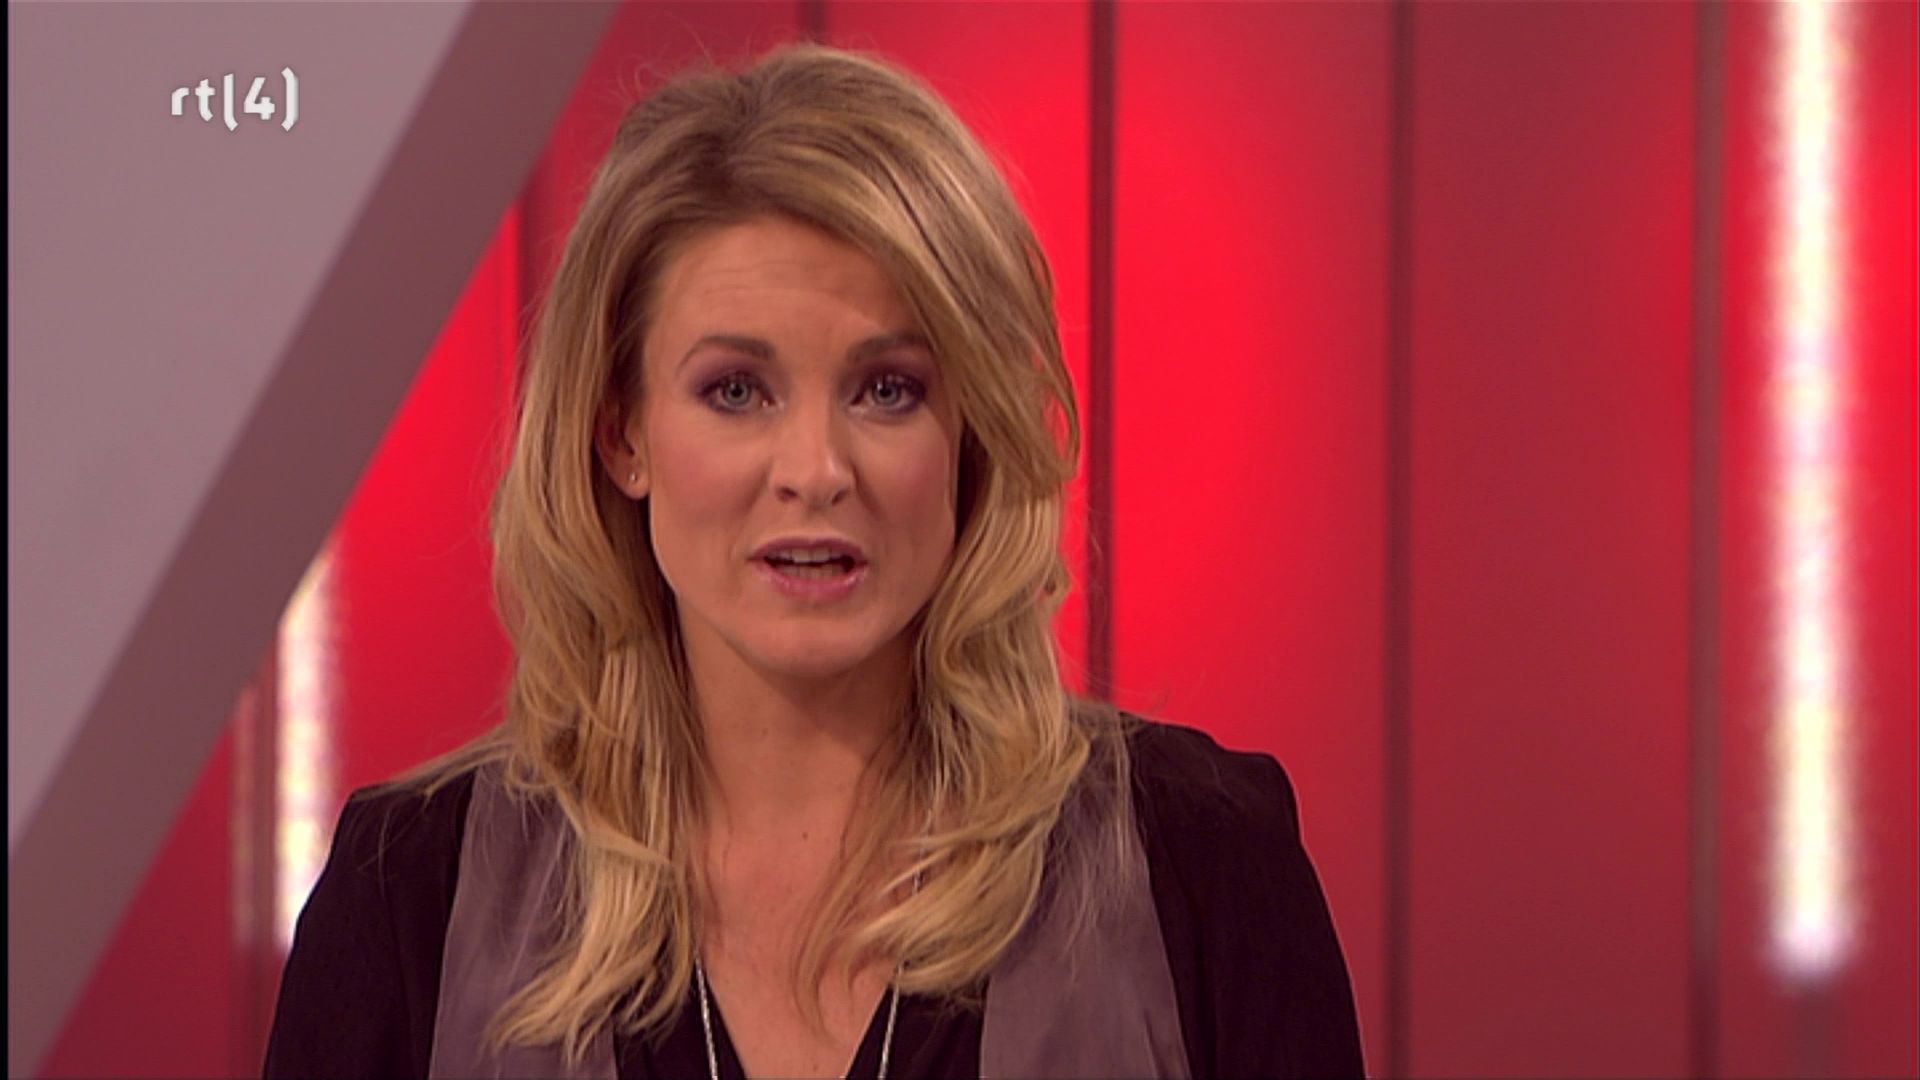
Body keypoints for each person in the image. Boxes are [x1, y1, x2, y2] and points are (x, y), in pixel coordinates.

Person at [263, 43, 1362, 1080]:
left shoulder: (1203, 868)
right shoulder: (408, 896)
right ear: (621, 434)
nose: (817, 470)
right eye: (736, 390)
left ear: (968, 431)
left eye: (888, 390)